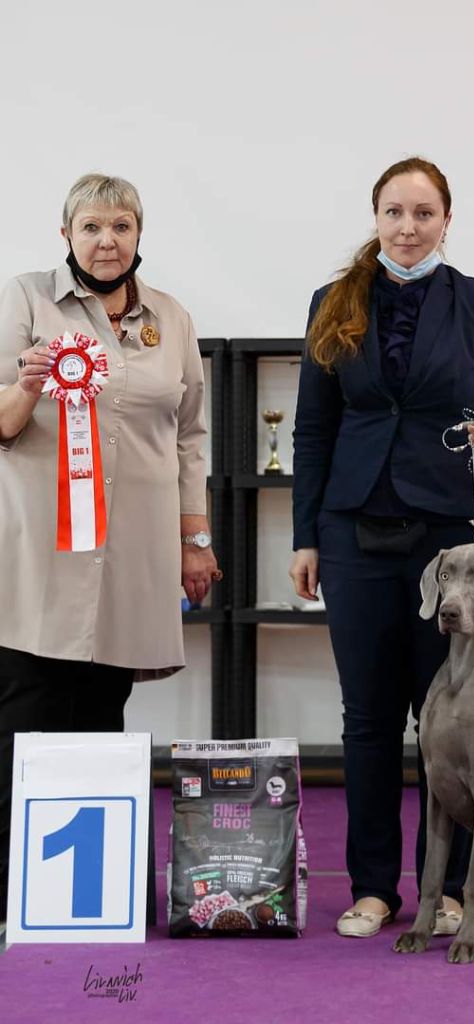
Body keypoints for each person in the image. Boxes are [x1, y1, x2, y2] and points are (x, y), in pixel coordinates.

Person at [289, 156, 474, 937]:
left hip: (454, 539)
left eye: (422, 213)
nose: (407, 227)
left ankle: (454, 891)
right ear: (376, 217)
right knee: (367, 717)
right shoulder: (333, 303)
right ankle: (373, 888)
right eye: (394, 212)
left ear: (446, 220)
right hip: (354, 529)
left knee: (460, 723)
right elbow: (313, 429)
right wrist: (306, 535)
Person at [0, 173, 219, 920]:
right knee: (25, 711)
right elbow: (1, 422)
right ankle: (11, 894)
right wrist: (29, 386)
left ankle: (84, 897)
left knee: (100, 711)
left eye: (121, 226)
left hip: (133, 553)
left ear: (138, 236)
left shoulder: (171, 318)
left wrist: (196, 539)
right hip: (42, 553)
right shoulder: (25, 298)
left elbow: (190, 437)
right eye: (91, 226)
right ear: (65, 234)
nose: (106, 240)